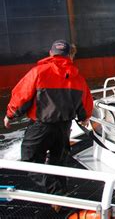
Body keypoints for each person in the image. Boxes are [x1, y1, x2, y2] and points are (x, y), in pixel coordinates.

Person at [3, 39, 93, 210]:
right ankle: (61, 197)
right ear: (68, 55)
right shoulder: (77, 77)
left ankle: (57, 194)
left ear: (51, 53)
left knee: (29, 161)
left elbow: (21, 96)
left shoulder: (38, 71)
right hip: (64, 127)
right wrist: (84, 117)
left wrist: (10, 115)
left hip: (41, 126)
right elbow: (86, 103)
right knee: (58, 162)